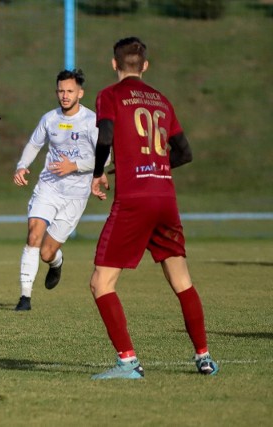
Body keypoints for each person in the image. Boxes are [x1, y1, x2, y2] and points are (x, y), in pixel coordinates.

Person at [88, 37, 218, 379]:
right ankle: (204, 357)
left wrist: (99, 172)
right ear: (145, 66)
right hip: (166, 199)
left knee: (101, 283)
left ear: (114, 64)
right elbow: (184, 153)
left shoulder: (110, 95)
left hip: (134, 201)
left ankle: (128, 362)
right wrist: (155, 166)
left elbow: (104, 137)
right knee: (182, 281)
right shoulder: (161, 100)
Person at [13, 69, 102, 311]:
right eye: (61, 91)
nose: (65, 95)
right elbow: (34, 144)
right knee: (33, 234)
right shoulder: (49, 119)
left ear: (80, 93)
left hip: (75, 195)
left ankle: (56, 263)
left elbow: (104, 158)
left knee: (47, 252)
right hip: (49, 186)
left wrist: (74, 165)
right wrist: (22, 166)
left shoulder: (92, 121)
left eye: (70, 91)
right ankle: (24, 297)